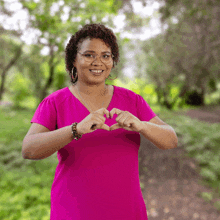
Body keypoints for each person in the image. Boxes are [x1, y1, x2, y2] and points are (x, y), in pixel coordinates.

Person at [22, 23, 178, 220]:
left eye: (106, 55)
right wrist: (76, 130)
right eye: (89, 55)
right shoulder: (55, 102)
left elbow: (171, 139)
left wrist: (142, 125)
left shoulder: (132, 100)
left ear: (113, 61)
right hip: (73, 211)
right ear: (74, 60)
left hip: (126, 211)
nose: (98, 62)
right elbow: (28, 149)